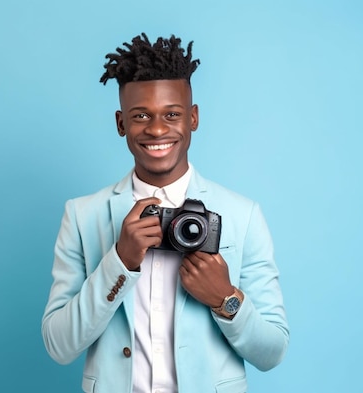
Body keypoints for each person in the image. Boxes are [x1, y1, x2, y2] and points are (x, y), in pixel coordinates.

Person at [42, 33, 289, 393]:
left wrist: (225, 298)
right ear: (121, 123)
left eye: (171, 114)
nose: (157, 129)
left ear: (193, 118)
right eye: (140, 115)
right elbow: (59, 345)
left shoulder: (242, 214)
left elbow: (273, 351)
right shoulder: (82, 216)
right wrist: (120, 262)